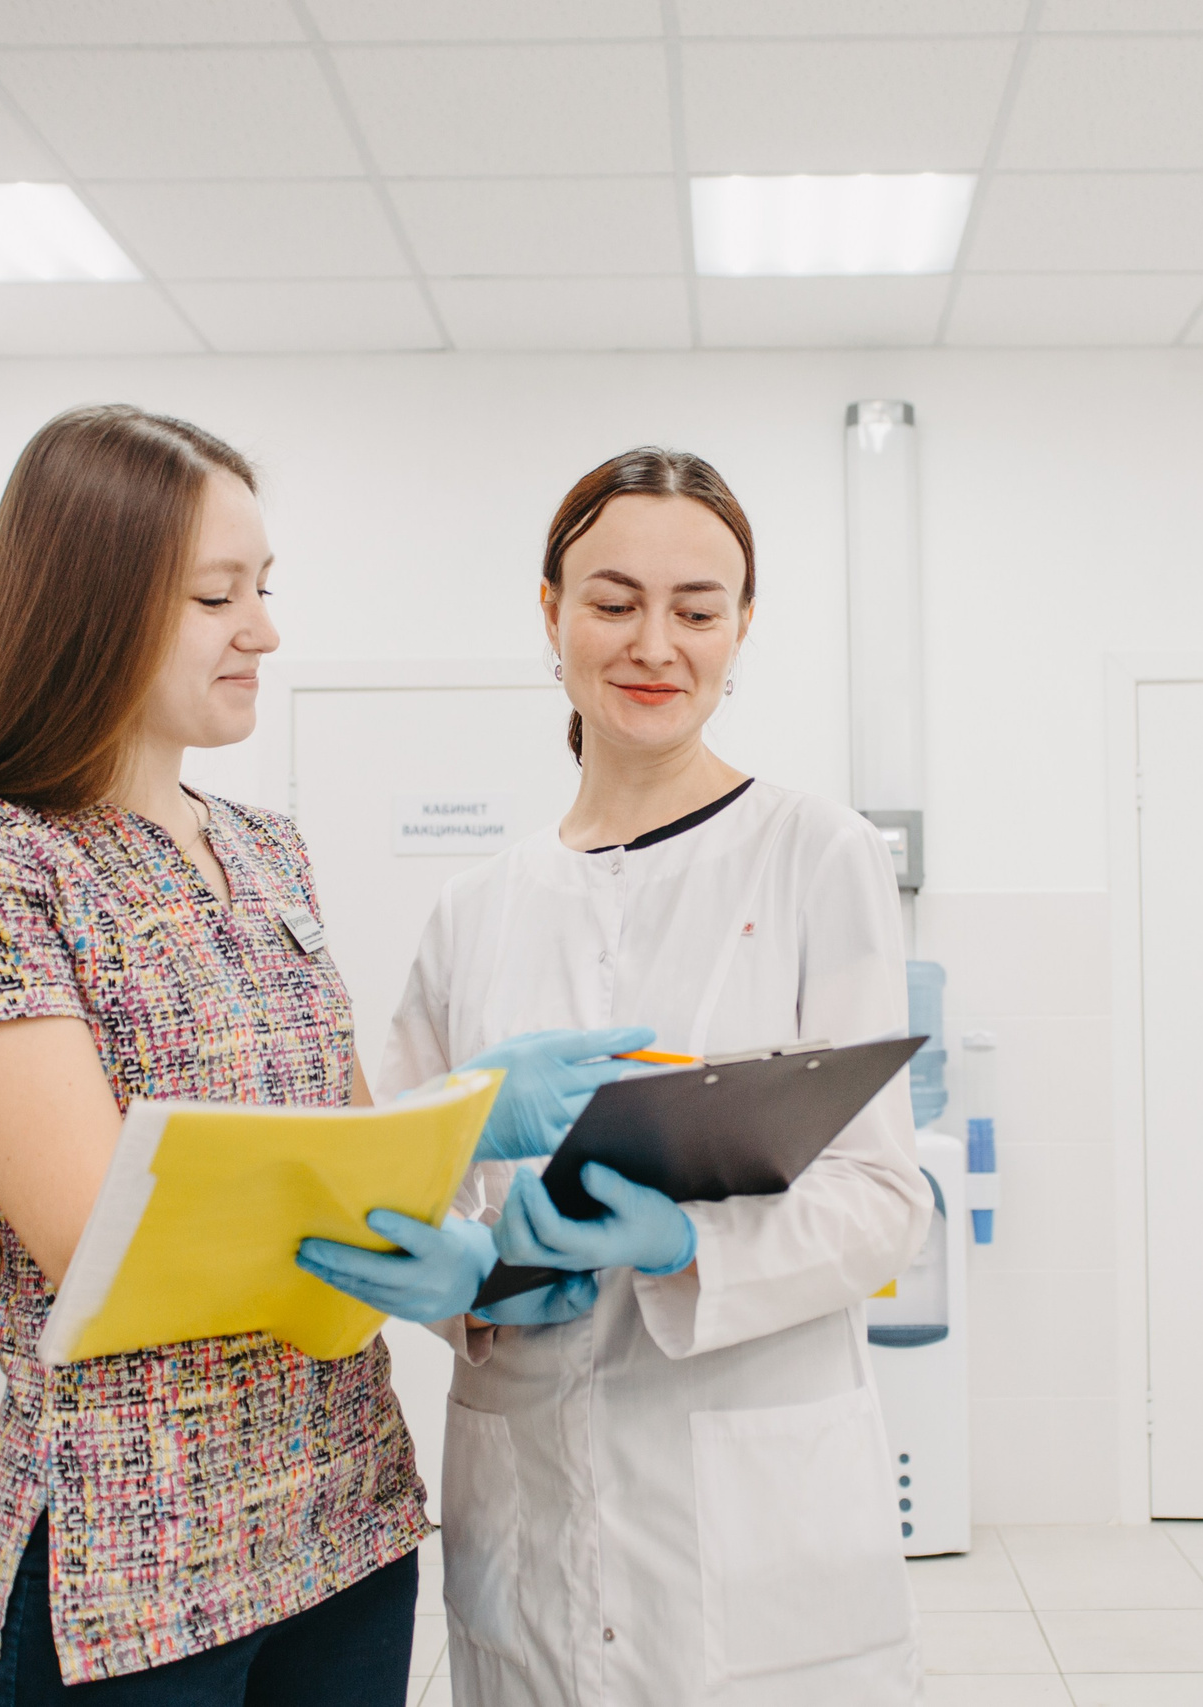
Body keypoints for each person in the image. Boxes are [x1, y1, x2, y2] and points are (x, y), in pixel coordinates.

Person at [0, 405, 638, 1707]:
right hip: (134, 1575)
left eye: (262, 587)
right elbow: (103, 1234)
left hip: (345, 1520)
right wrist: (459, 1108)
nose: (262, 627)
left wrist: (466, 1266)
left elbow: (349, 1153)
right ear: (89, 604)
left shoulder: (267, 846)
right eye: (218, 594)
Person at [299, 447, 930, 1705]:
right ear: (551, 611)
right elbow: (394, 1181)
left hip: (752, 1514)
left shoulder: (818, 855)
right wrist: (464, 1286)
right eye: (613, 600)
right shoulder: (474, 910)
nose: (656, 643)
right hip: (525, 1492)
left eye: (698, 610)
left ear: (742, 627)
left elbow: (883, 1203)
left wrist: (684, 1245)